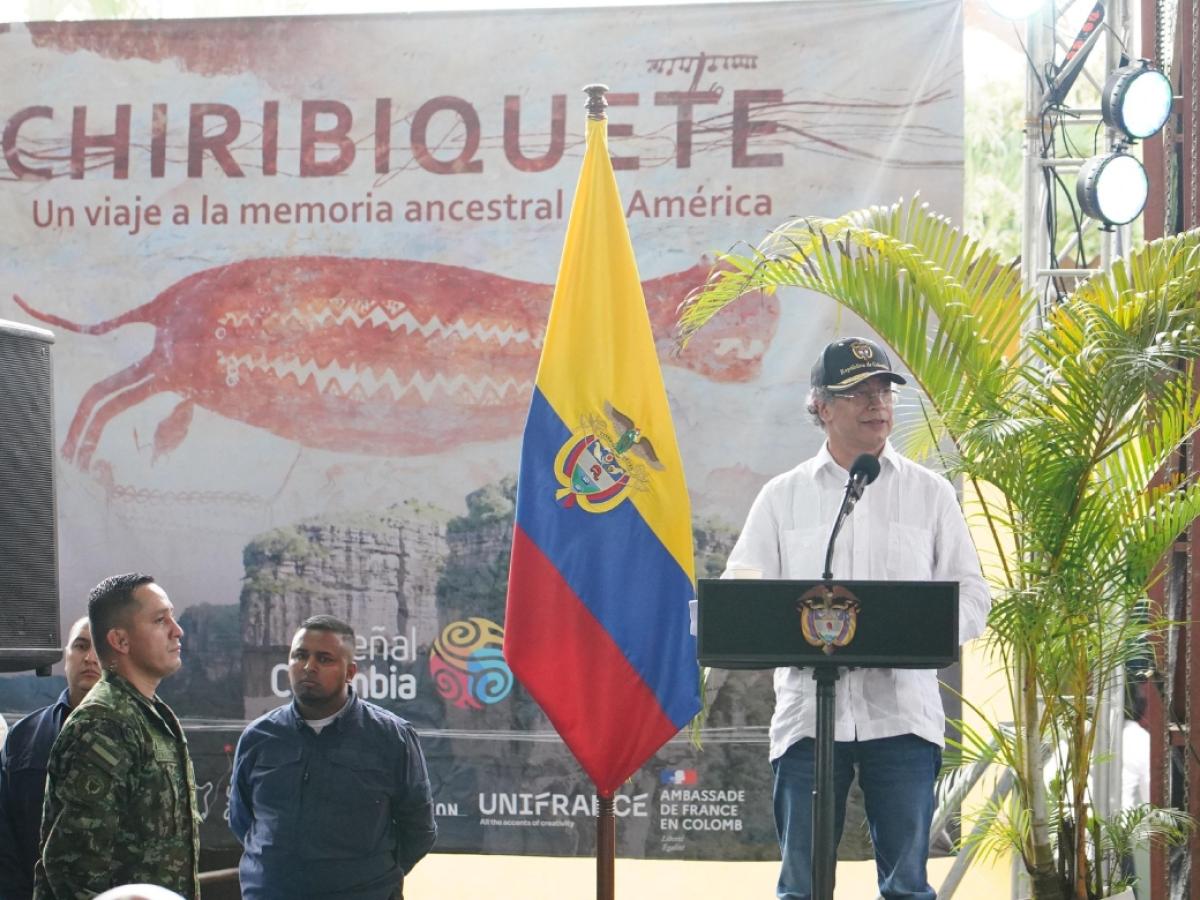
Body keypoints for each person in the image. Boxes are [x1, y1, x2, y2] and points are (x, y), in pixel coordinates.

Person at [724, 337, 992, 900]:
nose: (877, 404)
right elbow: (741, 594)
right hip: (807, 722)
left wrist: (919, 632)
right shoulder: (783, 497)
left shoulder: (930, 494)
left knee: (907, 888)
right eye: (857, 393)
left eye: (883, 391)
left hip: (902, 719)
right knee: (803, 888)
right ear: (821, 407)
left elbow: (973, 597)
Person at [230, 615, 437, 900]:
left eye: (324, 659)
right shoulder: (258, 737)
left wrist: (370, 877)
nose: (308, 667)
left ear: (350, 671)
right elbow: (243, 820)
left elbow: (419, 831)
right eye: (299, 656)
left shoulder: (392, 737)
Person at [33, 574, 199, 900]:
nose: (177, 630)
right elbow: (74, 869)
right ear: (120, 641)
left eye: (173, 618)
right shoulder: (103, 724)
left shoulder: (147, 714)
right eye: (160, 620)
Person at [0, 618, 101, 900]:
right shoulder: (24, 738)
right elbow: (4, 841)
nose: (90, 658)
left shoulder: (138, 734)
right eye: (80, 646)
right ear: (65, 657)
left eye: (99, 649)